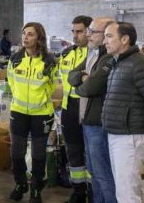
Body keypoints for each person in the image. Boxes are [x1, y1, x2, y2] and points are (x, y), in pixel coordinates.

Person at [102, 22, 144, 203]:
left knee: (128, 193)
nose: (105, 41)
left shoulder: (141, 64)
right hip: (117, 133)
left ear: (124, 39)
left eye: (109, 36)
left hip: (130, 136)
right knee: (126, 190)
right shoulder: (118, 63)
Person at [68, 17, 117, 203]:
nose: (88, 35)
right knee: (94, 172)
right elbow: (72, 76)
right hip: (87, 121)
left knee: (103, 173)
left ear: (105, 35)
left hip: (98, 123)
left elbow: (91, 88)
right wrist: (82, 78)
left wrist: (80, 85)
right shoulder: (93, 54)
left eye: (92, 32)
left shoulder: (108, 57)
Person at [8, 22, 58, 203]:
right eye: (24, 34)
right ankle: (20, 183)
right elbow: (11, 82)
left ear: (39, 38)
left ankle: (36, 188)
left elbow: (51, 86)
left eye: (30, 34)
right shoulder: (14, 58)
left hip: (42, 114)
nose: (25, 37)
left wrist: (39, 100)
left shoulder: (49, 61)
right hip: (19, 112)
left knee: (38, 154)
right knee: (16, 152)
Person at [59, 15, 93, 203]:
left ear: (89, 31)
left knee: (91, 151)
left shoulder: (95, 55)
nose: (75, 35)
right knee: (73, 151)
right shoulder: (66, 54)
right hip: (68, 108)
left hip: (87, 107)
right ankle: (78, 191)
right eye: (73, 31)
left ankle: (93, 191)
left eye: (79, 31)